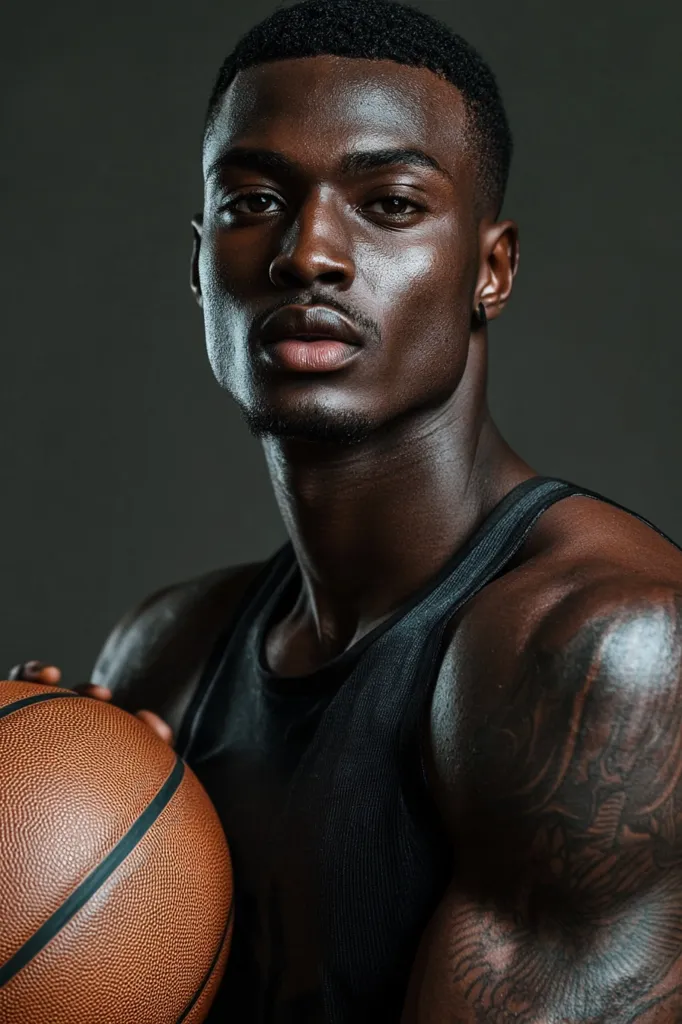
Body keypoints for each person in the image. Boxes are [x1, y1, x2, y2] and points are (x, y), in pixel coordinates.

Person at [11, 1, 682, 1020]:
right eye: (253, 202)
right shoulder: (163, 656)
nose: (309, 253)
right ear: (199, 267)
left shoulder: (605, 655)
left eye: (390, 203)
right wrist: (46, 822)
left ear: (489, 271)